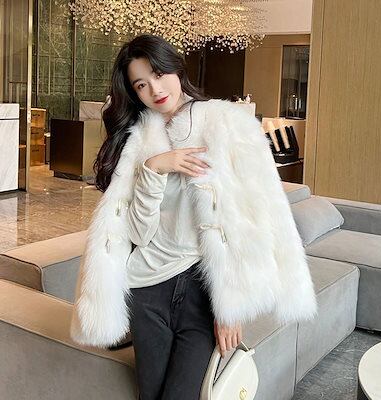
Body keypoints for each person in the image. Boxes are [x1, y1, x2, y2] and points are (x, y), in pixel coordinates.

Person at [70, 34, 317, 400]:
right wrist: (154, 168)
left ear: (176, 67)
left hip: (201, 291)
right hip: (146, 290)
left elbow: (254, 217)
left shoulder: (227, 123)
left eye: (158, 74)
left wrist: (231, 306)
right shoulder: (138, 141)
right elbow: (138, 233)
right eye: (141, 84)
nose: (155, 89)